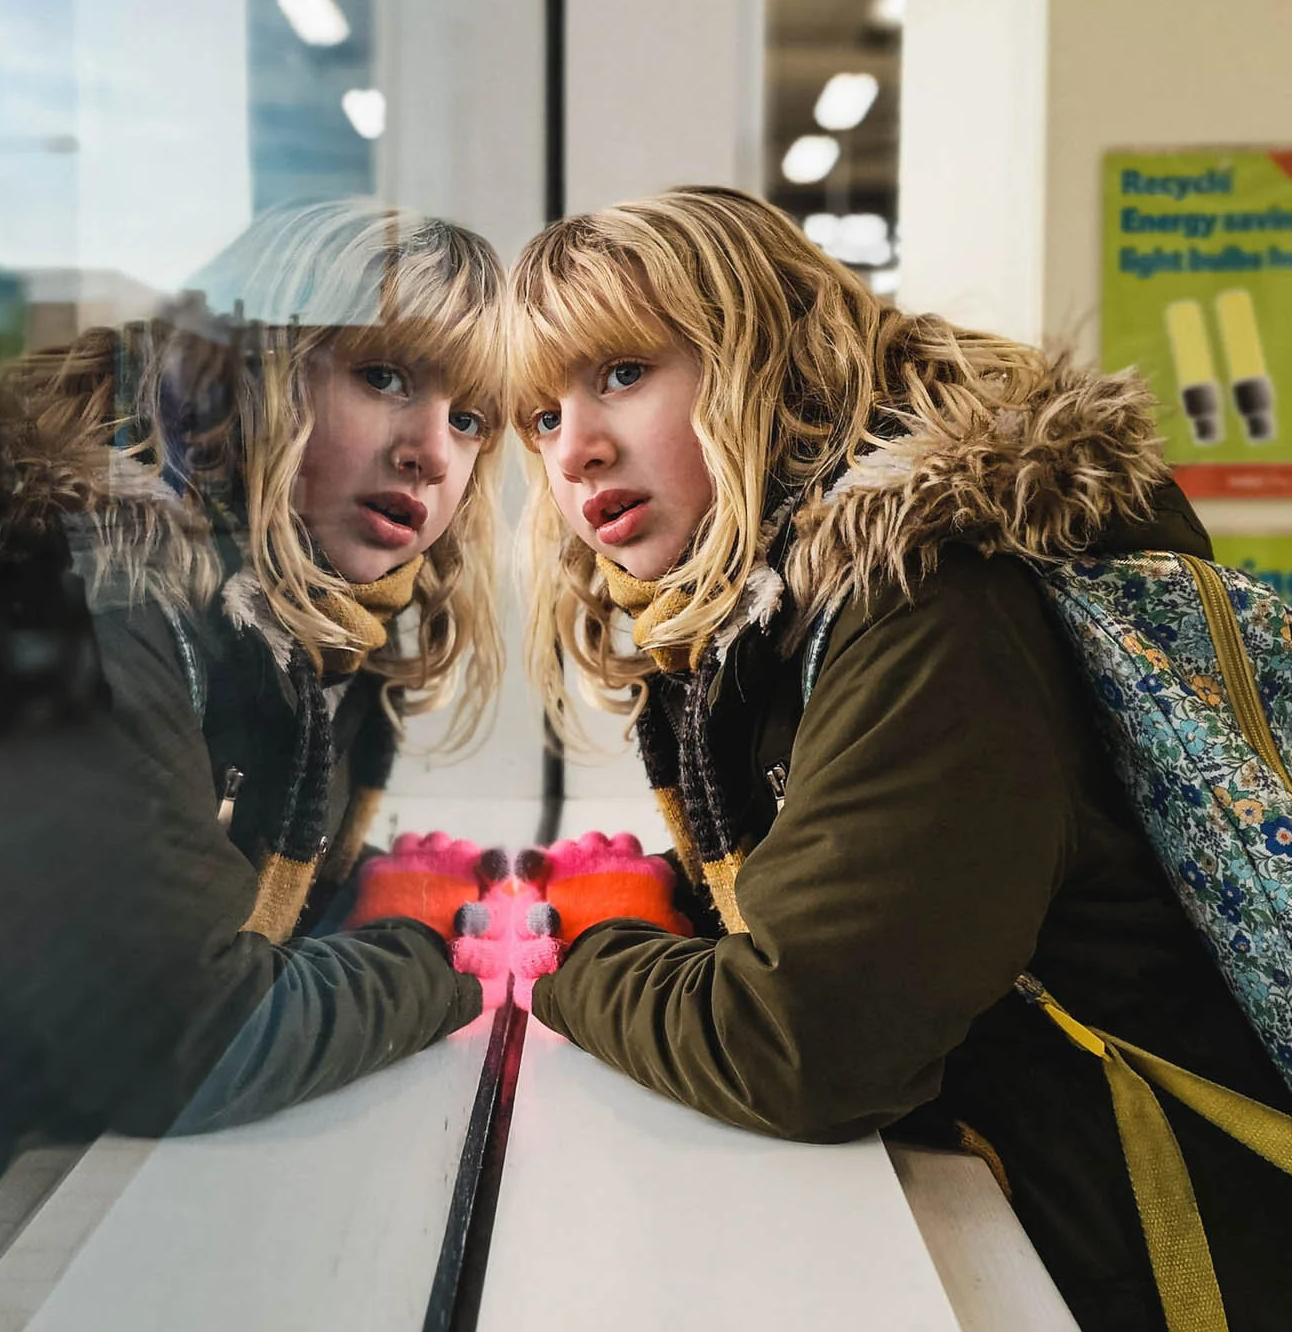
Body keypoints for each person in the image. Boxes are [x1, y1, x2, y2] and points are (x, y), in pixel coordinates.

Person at [503, 186, 1292, 1329]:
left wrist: (581, 953)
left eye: (623, 372)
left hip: (1160, 1255)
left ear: (761, 356)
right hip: (1035, 1216)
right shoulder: (771, 609)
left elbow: (807, 1045)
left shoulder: (930, 606)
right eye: (538, 416)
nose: (575, 449)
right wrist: (667, 899)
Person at [0, 200, 512, 1135]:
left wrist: (392, 896)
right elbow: (189, 1041)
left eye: (470, 419)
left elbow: (230, 902)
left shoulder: (320, 619)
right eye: (384, 376)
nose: (430, 452)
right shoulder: (78, 589)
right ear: (246, 373)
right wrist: (446, 949)